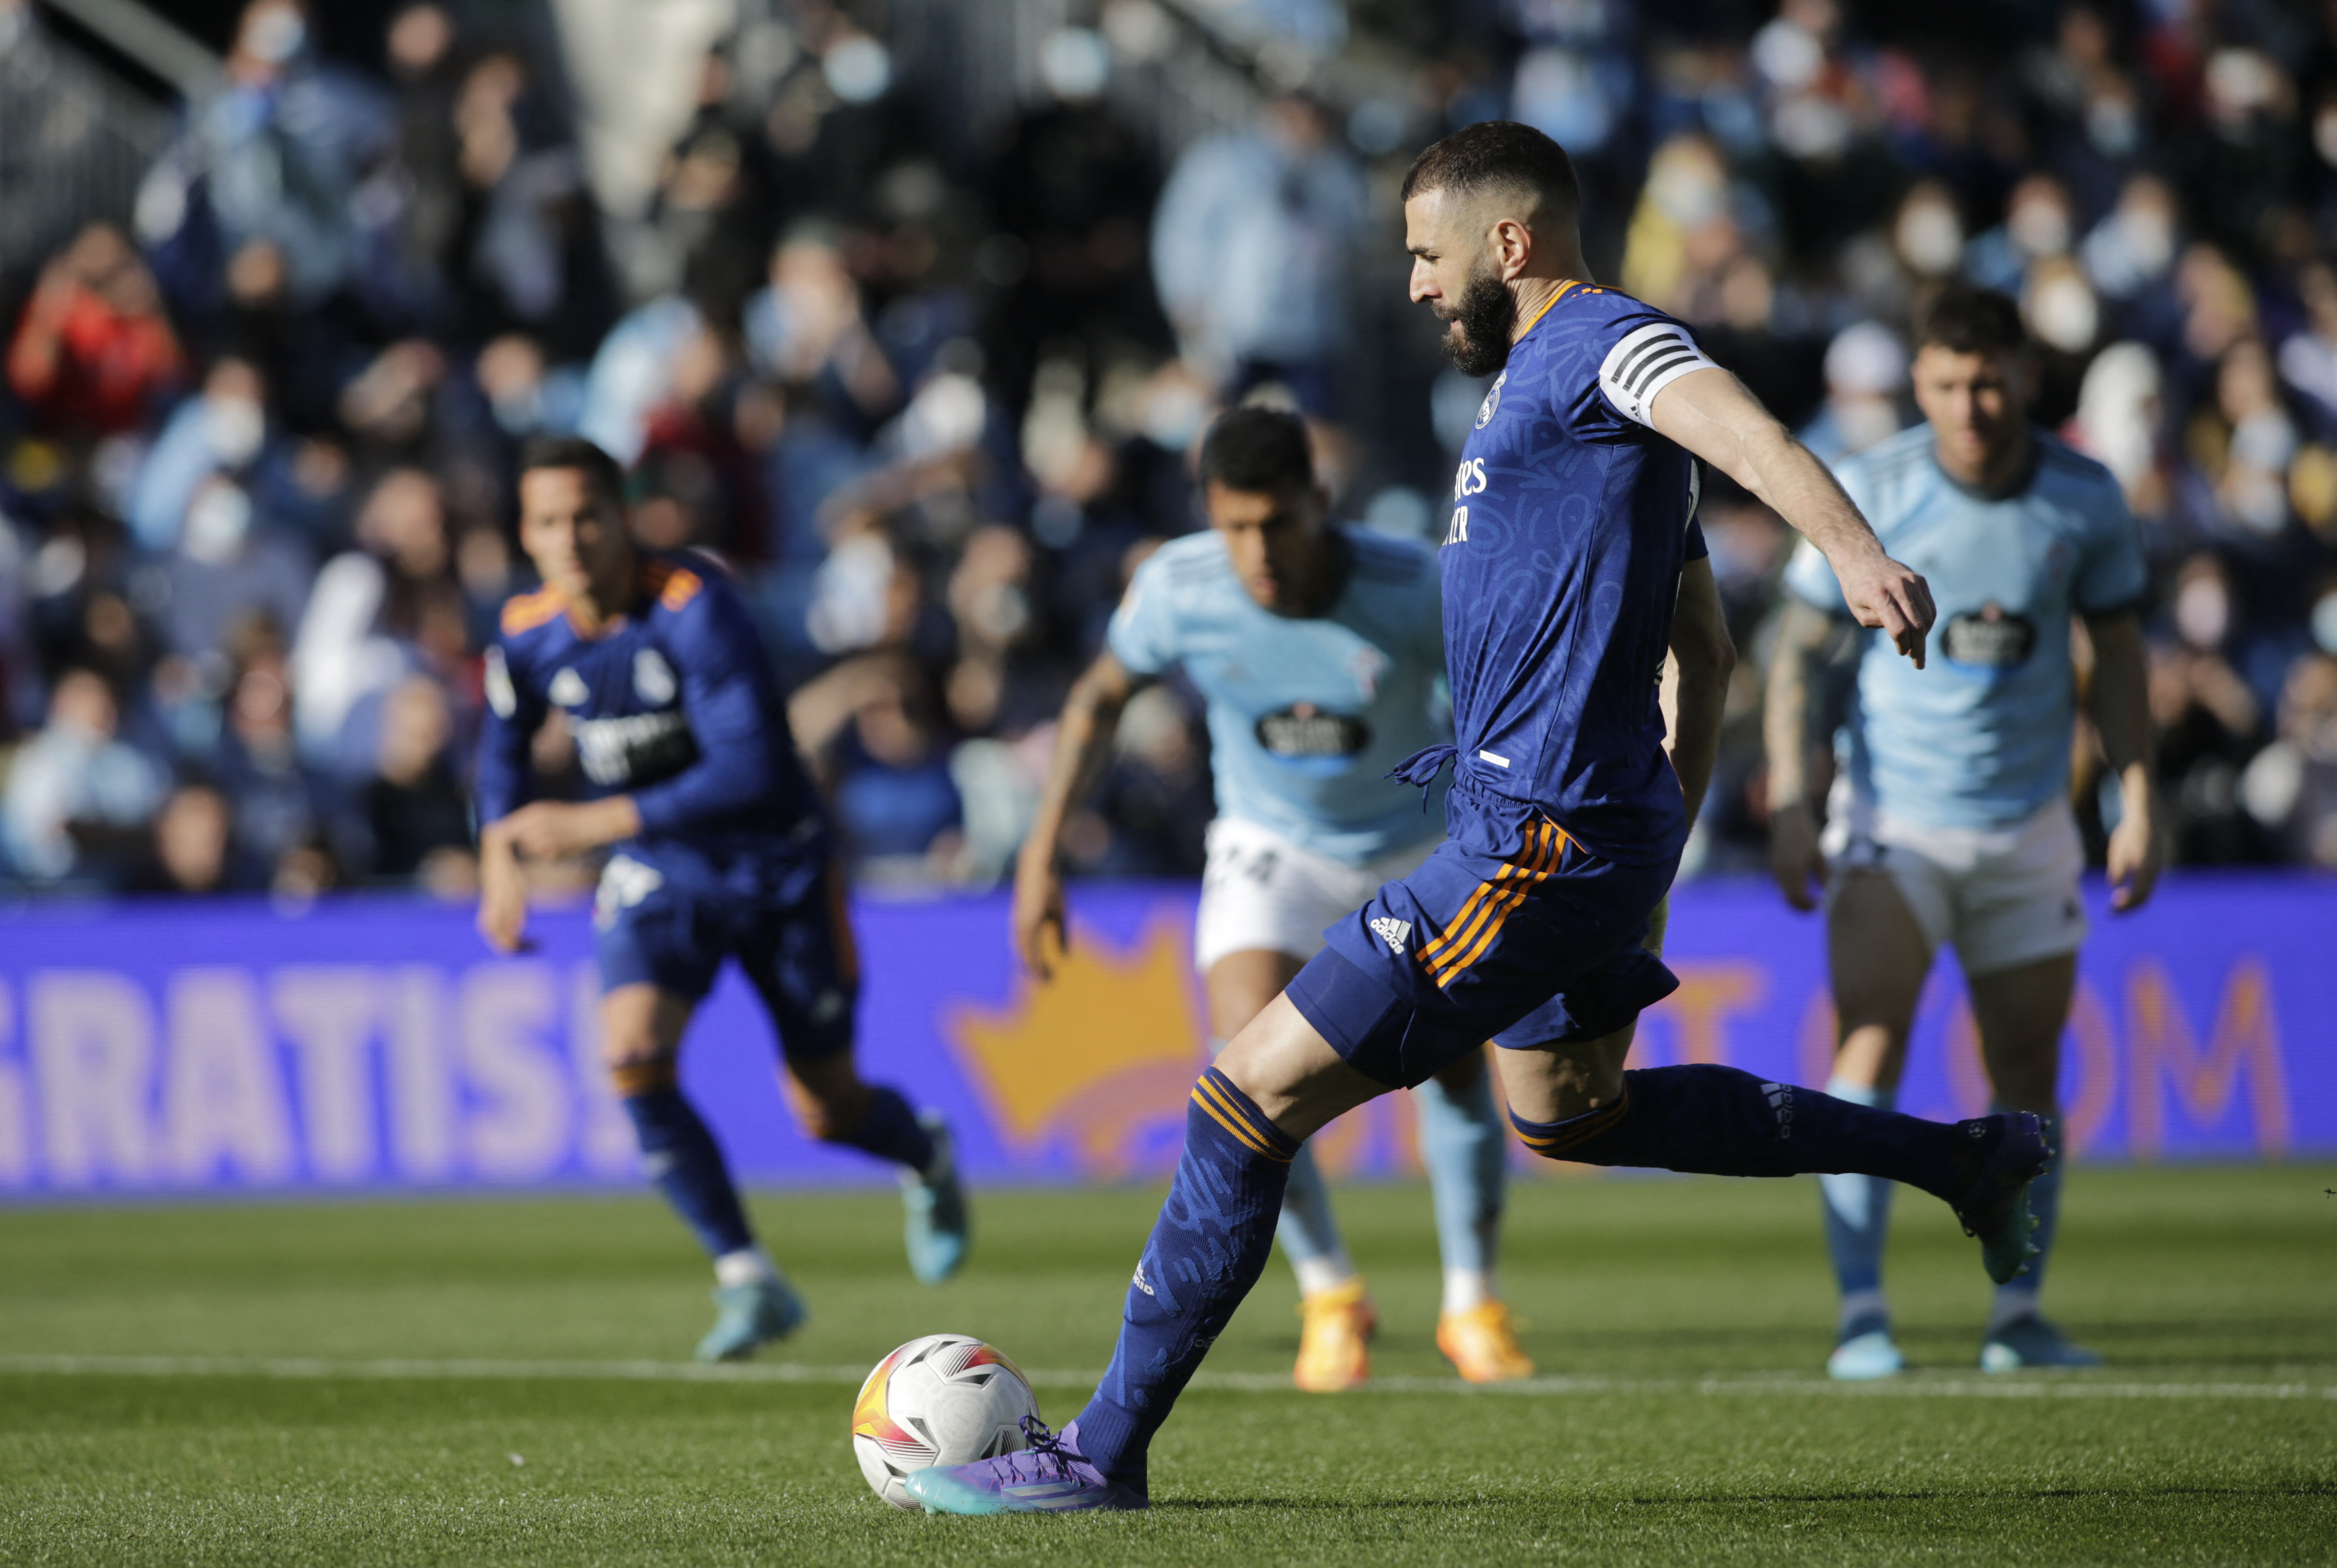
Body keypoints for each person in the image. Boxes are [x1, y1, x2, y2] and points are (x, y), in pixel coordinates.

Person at [904, 122, 2047, 1515]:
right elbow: (1706, 647)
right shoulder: (1559, 431)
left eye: (1424, 255)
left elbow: (1727, 412)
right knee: (1572, 1117)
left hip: (1532, 837)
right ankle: (1968, 1158)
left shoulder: (1598, 349)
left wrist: (1853, 547)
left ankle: (1099, 1452)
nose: (1412, 287)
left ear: (1508, 243)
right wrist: (1655, 851)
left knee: (1237, 1099)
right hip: (1580, 833)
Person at [1017, 404, 1588, 1390]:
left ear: (1319, 503)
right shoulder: (1179, 588)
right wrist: (1041, 851)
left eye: (1277, 521)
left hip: (1416, 844)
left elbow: (1509, 706)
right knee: (1245, 1066)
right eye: (1236, 525)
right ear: (1208, 516)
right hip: (1271, 845)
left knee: (1453, 1070)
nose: (1259, 549)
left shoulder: (1412, 584)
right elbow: (1101, 694)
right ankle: (1331, 1293)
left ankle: (1472, 1303)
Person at [472, 436, 970, 1361]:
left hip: (777, 867)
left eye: (587, 513)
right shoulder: (527, 633)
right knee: (629, 1052)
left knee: (824, 1108)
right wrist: (498, 856)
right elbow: (501, 752)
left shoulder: (696, 608)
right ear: (526, 535)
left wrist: (589, 825)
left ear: (624, 516)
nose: (571, 537)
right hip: (664, 869)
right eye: (548, 521)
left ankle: (923, 1154)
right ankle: (747, 1276)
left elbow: (746, 770)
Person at [1765, 285, 2158, 1379]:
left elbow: (2120, 657)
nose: (1970, 404)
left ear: (2026, 377)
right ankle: (1862, 1313)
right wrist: (1797, 799)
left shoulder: (2085, 496)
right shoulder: (1874, 490)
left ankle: (2017, 1314)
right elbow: (1797, 651)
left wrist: (2138, 798)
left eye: (1988, 381)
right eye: (1946, 382)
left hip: (2031, 822)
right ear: (1920, 381)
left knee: (2027, 1065)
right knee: (1869, 1048)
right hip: (1896, 821)